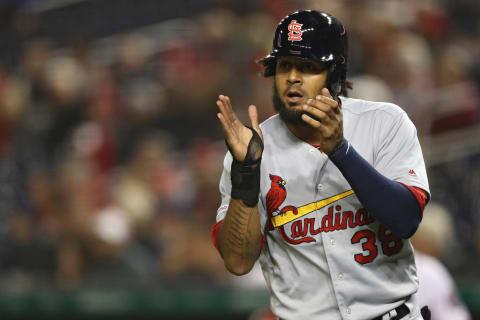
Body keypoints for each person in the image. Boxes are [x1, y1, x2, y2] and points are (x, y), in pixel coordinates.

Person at [211, 10, 430, 320]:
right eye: (285, 65)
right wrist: (246, 173)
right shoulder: (253, 149)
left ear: (335, 73)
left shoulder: (384, 123)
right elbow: (237, 262)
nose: (293, 77)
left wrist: (341, 151)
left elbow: (406, 219)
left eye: (308, 67)